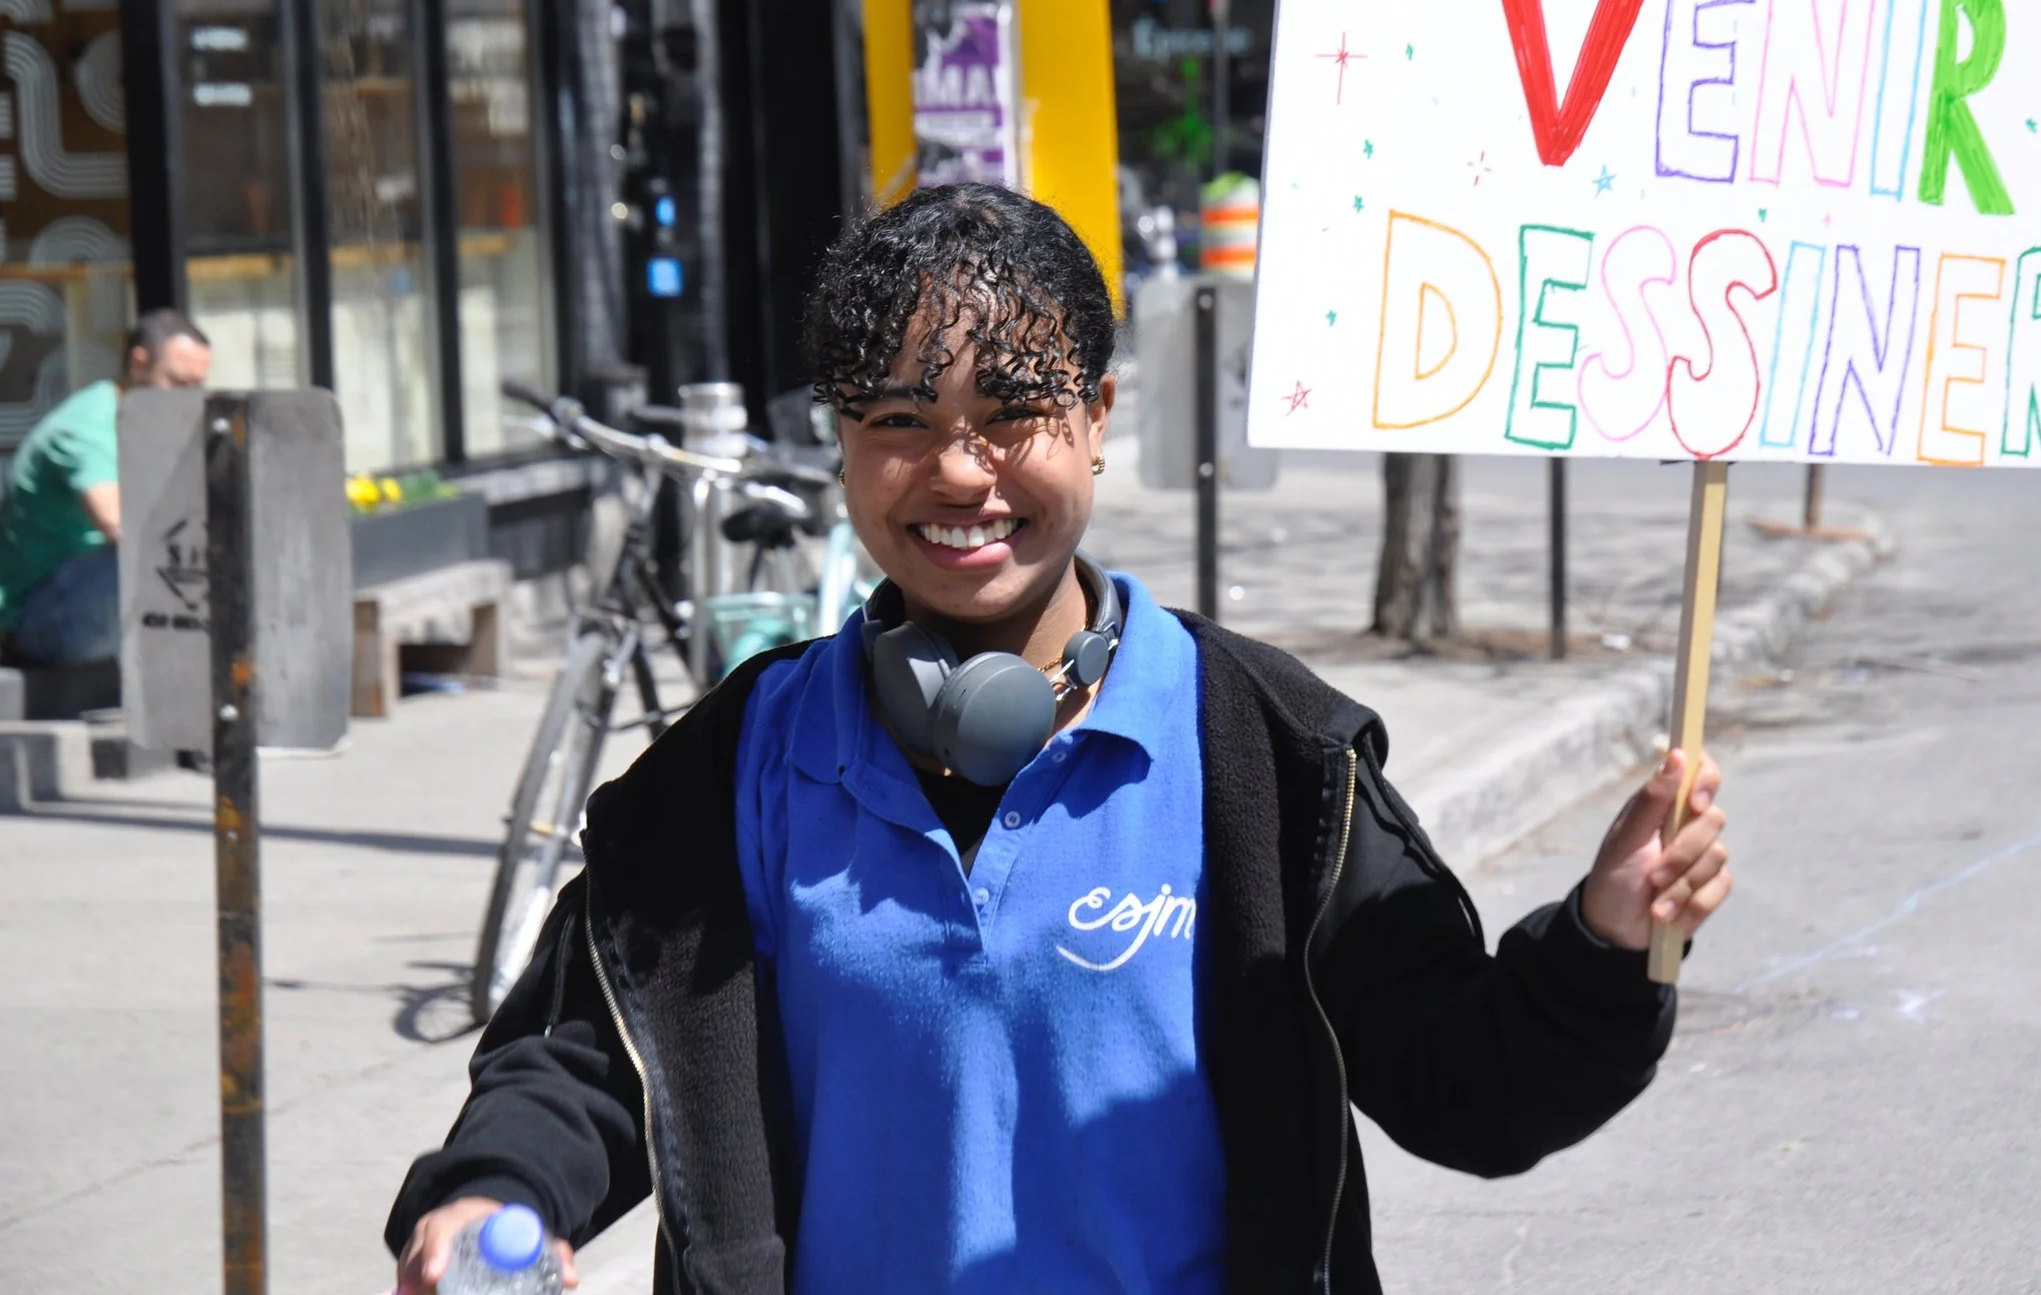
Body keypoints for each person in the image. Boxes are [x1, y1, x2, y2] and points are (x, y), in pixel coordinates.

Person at [386, 184, 1734, 1295]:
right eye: (901, 423)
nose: (961, 473)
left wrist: (1606, 948)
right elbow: (577, 1057)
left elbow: (1469, 1083)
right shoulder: (733, 768)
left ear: (1094, 416)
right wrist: (494, 1189)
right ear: (842, 448)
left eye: (1012, 415)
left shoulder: (1266, 756)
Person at [0, 309, 213, 666]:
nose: (190, 399)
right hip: (39, 618)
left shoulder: (153, 424)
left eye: (198, 386)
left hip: (95, 605)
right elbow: (120, 526)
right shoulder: (87, 427)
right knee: (157, 553)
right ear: (139, 363)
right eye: (179, 383)